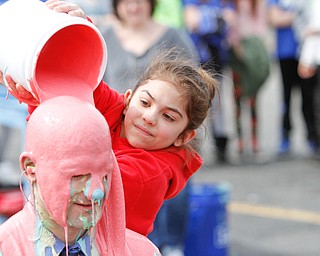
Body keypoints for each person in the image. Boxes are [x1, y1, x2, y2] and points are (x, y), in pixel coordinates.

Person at [2, 48, 218, 239]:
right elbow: (75, 70)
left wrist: (39, 107)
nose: (149, 117)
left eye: (168, 117)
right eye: (145, 102)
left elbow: (76, 177)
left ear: (183, 137)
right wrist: (75, 21)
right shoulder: (114, 109)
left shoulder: (148, 175)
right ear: (128, 98)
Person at [0, 96, 160, 255]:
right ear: (30, 167)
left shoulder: (143, 251)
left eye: (105, 175)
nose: (96, 192)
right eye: (78, 175)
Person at [97, 0, 198, 93]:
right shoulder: (104, 37)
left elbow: (193, 78)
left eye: (139, 1)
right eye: (126, 2)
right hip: (113, 110)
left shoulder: (172, 35)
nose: (133, 7)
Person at [182, 0, 234, 164]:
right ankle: (194, 147)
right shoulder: (189, 2)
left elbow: (227, 23)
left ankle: (221, 146)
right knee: (192, 102)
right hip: (194, 60)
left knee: (217, 104)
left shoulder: (221, 3)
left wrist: (208, 21)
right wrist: (215, 21)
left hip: (216, 59)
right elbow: (192, 23)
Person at [267, 0, 319, 156]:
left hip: (307, 53)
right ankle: (285, 136)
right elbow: (275, 19)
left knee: (308, 98)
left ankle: (312, 137)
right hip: (286, 53)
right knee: (286, 97)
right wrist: (300, 17)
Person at [227, 0, 270, 157]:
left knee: (253, 99)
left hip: (254, 50)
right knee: (237, 99)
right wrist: (236, 44)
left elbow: (261, 27)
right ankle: (240, 140)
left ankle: (254, 140)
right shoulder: (235, 4)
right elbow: (231, 25)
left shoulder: (259, 4)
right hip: (238, 54)